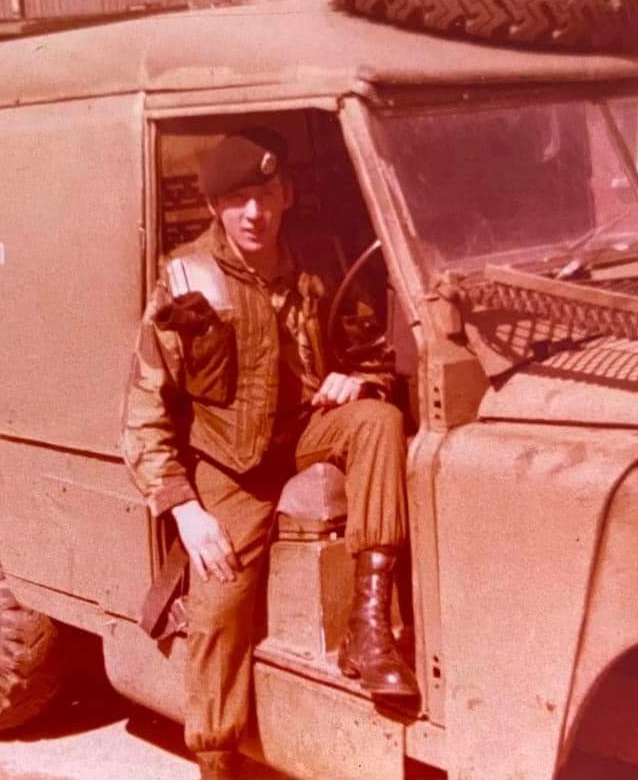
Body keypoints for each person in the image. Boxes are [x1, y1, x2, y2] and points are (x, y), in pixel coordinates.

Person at [121, 127, 418, 780]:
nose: (254, 213)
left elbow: (370, 349)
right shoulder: (188, 281)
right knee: (220, 602)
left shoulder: (311, 265)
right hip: (230, 466)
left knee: (376, 420)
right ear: (215, 208)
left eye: (264, 194)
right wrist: (185, 511)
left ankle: (367, 629)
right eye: (237, 199)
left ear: (285, 195)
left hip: (305, 429)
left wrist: (356, 378)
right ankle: (217, 757)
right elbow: (142, 413)